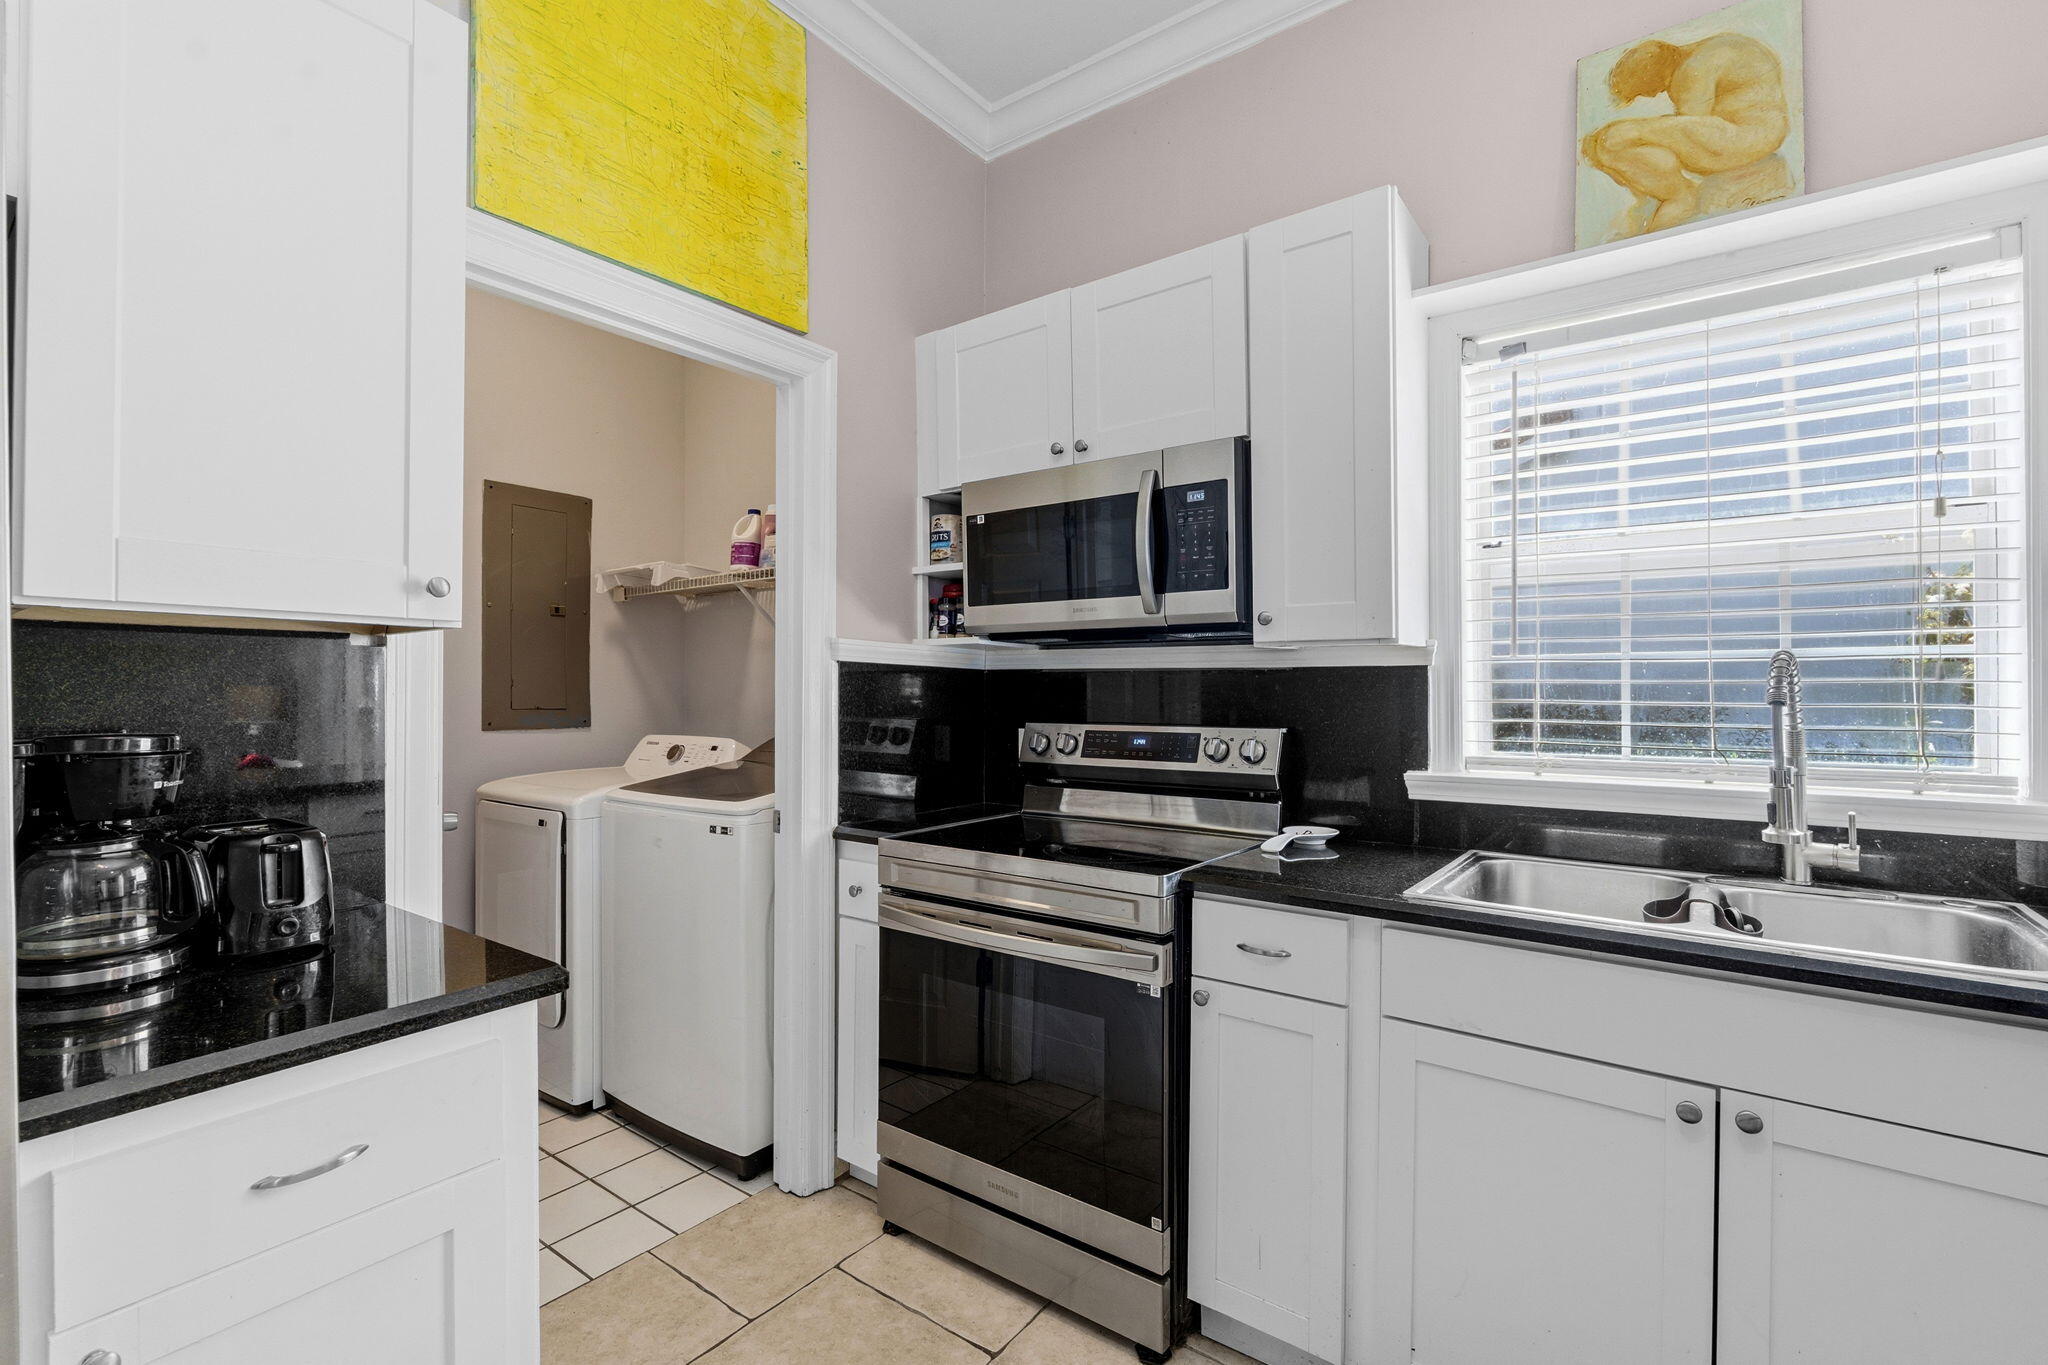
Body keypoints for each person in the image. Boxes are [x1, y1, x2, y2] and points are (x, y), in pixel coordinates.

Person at [1582, 32, 1791, 234]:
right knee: (1643, 134)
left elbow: (1692, 127)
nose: (1654, 94)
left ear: (1654, 75)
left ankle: (1678, 195)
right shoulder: (1708, 50)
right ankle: (1675, 192)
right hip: (1759, 135)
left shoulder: (1690, 71)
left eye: (1647, 89)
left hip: (1737, 139)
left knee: (1614, 137)